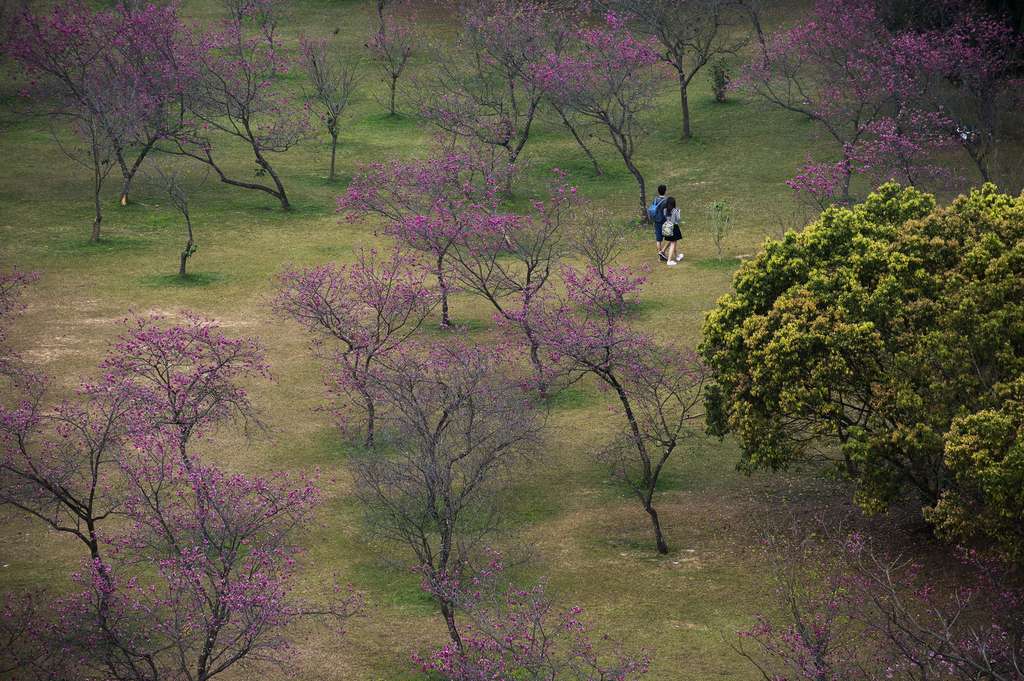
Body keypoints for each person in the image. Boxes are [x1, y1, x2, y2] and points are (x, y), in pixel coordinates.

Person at [661, 196, 684, 267]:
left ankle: (676, 256)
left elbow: (665, 216)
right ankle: (669, 260)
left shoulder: (665, 210)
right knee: (673, 243)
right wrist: (678, 212)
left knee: (672, 242)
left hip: (668, 227)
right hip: (674, 227)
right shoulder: (675, 210)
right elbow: (678, 219)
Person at [650, 185, 669, 261]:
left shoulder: (655, 199)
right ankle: (663, 251)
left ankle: (660, 256)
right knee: (670, 237)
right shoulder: (666, 200)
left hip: (657, 220)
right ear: (665, 191)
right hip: (664, 221)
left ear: (658, 191)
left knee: (658, 239)